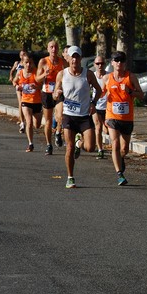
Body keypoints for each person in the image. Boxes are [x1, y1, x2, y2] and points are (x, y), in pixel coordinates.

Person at [52, 46, 102, 188]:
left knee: (91, 147)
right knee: (69, 147)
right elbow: (55, 93)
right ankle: (70, 177)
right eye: (72, 57)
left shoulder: (88, 74)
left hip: (84, 116)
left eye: (77, 57)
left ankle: (80, 143)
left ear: (80, 59)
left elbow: (99, 90)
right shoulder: (62, 74)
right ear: (68, 58)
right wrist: (56, 94)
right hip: (68, 116)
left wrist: (93, 103)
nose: (74, 59)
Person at [102, 51, 144, 185]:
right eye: (116, 60)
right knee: (115, 142)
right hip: (111, 116)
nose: (119, 63)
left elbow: (141, 95)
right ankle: (119, 174)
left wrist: (130, 91)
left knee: (124, 148)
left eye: (122, 60)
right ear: (112, 63)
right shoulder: (107, 78)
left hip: (127, 118)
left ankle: (120, 158)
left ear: (125, 63)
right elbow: (99, 93)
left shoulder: (130, 77)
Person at [36, 40, 65, 155]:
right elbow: (37, 79)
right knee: (48, 120)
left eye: (56, 47)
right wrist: (45, 74)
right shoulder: (43, 61)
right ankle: (49, 145)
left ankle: (58, 132)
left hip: (58, 92)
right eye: (51, 47)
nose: (54, 49)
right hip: (47, 92)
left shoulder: (63, 62)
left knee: (61, 115)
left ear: (58, 49)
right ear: (48, 49)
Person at [13, 52, 43, 152]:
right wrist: (17, 86)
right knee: (29, 122)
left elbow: (42, 86)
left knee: (37, 125)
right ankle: (30, 143)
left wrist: (37, 87)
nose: (28, 65)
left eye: (30, 62)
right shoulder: (20, 73)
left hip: (37, 101)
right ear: (23, 62)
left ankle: (32, 136)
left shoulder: (36, 72)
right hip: (26, 100)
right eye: (26, 62)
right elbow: (14, 81)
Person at [92, 55, 109, 159]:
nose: (100, 66)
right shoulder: (91, 76)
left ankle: (79, 139)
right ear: (94, 65)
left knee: (106, 131)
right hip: (96, 106)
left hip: (108, 108)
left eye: (102, 63)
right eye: (97, 64)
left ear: (105, 64)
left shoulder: (109, 76)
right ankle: (100, 150)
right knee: (98, 128)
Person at [10, 50, 27, 134]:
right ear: (20, 56)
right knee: (21, 103)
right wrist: (11, 77)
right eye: (21, 55)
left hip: (26, 86)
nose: (23, 56)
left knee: (25, 103)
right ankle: (22, 123)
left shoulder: (28, 63)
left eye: (24, 54)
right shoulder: (17, 63)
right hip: (18, 84)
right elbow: (12, 70)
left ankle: (25, 119)